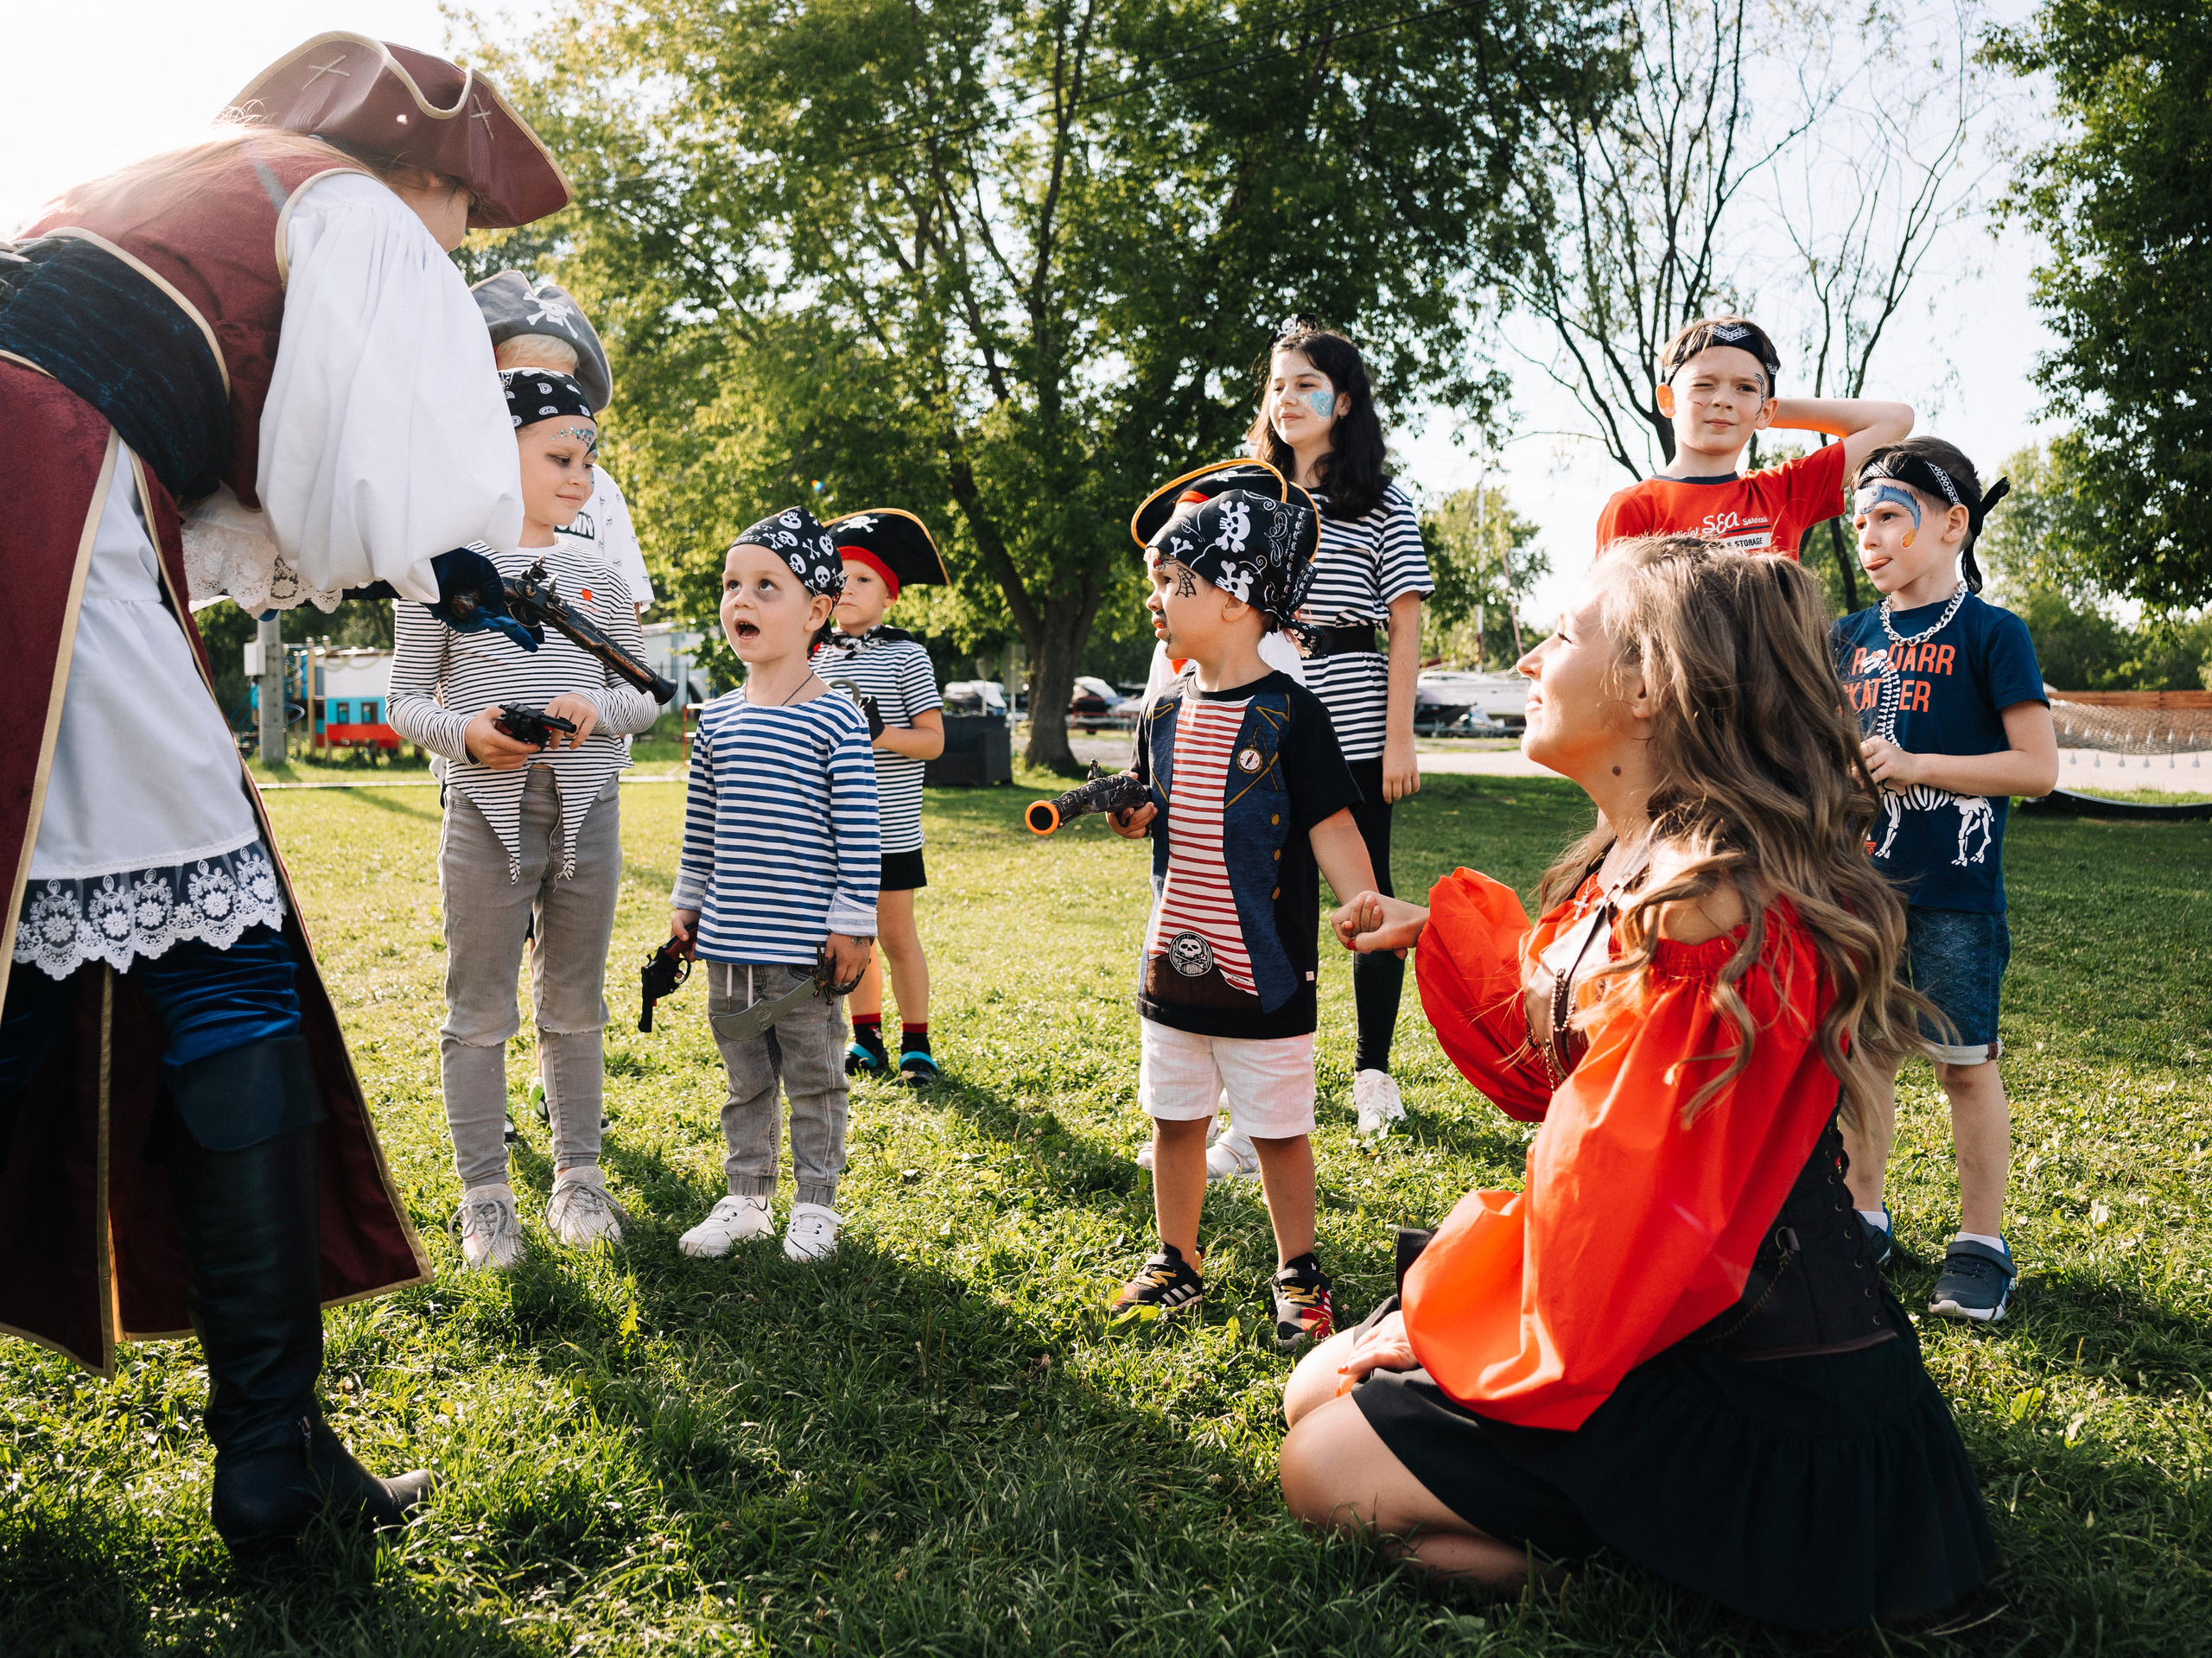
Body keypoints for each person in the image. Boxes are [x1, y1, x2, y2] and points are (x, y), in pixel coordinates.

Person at [0, 34, 569, 1560]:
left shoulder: (150, 175)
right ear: (428, 169)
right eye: (470, 212)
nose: (465, 244)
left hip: (54, 473)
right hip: (38, 482)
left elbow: (227, 445)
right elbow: (362, 480)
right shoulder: (349, 207)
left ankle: (277, 1449)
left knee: (32, 946)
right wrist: (452, 554)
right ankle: (270, 1457)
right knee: (220, 956)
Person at [1276, 537, 1996, 1630]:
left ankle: (1661, 1542)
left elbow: (1625, 1215)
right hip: (1660, 1302)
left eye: (1561, 636)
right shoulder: (1644, 853)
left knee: (1318, 1468)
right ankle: (1621, 1513)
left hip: (1742, 1367)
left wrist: (1449, 1323)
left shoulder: (1703, 900)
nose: (1526, 657)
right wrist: (1435, 934)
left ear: (1652, 686)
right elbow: (1571, 1034)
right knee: (1312, 1387)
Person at [387, 371, 659, 1269]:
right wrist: (465, 733)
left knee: (575, 1004)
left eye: (588, 457)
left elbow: (642, 699)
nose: (580, 475)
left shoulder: (598, 575)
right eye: (559, 454)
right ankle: (486, 1199)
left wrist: (593, 704)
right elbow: (403, 700)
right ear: (493, 451)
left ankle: (578, 1178)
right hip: (483, 813)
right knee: (479, 1010)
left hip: (590, 807)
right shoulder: (438, 571)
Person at [1105, 486, 1378, 1351]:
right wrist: (1130, 816)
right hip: (1171, 968)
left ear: (1232, 598)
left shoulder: (1295, 715)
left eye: (1173, 581)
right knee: (1175, 1119)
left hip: (1267, 972)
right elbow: (1153, 804)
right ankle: (1174, 1258)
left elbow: (1331, 819)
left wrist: (1359, 901)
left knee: (1277, 1129)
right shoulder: (1161, 710)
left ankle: (1298, 1266)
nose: (1156, 599)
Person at [1831, 438, 2053, 1321]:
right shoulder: (1848, 636)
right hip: (1857, 890)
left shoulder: (1993, 633)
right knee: (1862, 1058)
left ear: (1952, 523)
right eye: (1859, 522)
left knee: (1963, 1067)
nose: (1869, 537)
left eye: (1889, 515)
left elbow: (2034, 768)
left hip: (1954, 894)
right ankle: (1861, 1214)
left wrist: (1919, 761)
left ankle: (1979, 1242)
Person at [671, 508, 880, 1264]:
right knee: (745, 1081)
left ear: (817, 611)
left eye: (767, 586)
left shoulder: (836, 720)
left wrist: (854, 926)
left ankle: (816, 1205)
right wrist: (685, 908)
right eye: (732, 585)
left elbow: (861, 834)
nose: (742, 601)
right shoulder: (718, 719)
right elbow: (702, 829)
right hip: (730, 946)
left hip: (805, 952)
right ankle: (747, 1196)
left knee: (817, 1082)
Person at [1249, 317, 1432, 1143]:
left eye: (1306, 385)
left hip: (1355, 721)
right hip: (1263, 719)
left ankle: (1372, 1072)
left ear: (1344, 400)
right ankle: (1270, 1075)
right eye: (1278, 386)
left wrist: (1401, 737)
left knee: (1366, 900)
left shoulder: (1383, 501)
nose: (1288, 399)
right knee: (1268, 900)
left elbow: (1404, 623)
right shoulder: (1248, 497)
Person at [1125, 460, 1313, 1182]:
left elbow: (1281, 769)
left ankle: (1244, 1125)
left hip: (1252, 868)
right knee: (1189, 981)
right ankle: (1200, 1117)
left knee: (1250, 983)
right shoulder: (1170, 653)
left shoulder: (1274, 660)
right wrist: (1139, 803)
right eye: (1161, 576)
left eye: (1178, 576)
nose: (1162, 594)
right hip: (1184, 868)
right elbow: (1156, 747)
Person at [811, 510, 949, 1084]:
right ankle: (866, 1038)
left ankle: (916, 1042)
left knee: (894, 935)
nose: (848, 587)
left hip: (889, 828)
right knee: (849, 935)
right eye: (840, 575)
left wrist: (882, 733)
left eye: (863, 579)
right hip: (829, 829)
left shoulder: (906, 655)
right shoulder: (811, 655)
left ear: (889, 594)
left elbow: (934, 741)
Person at [1593, 315, 1915, 557]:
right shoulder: (1633, 507)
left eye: (1745, 388)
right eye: (1704, 385)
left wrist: (1762, 410)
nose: (1724, 400)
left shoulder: (1783, 492)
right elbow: (1611, 629)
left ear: (1766, 410)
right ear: (1667, 400)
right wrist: (1751, 404)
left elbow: (1896, 419)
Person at [470, 270, 656, 619]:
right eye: (529, 381)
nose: (553, 398)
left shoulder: (598, 489)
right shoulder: (448, 483)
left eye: (564, 384)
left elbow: (625, 618)